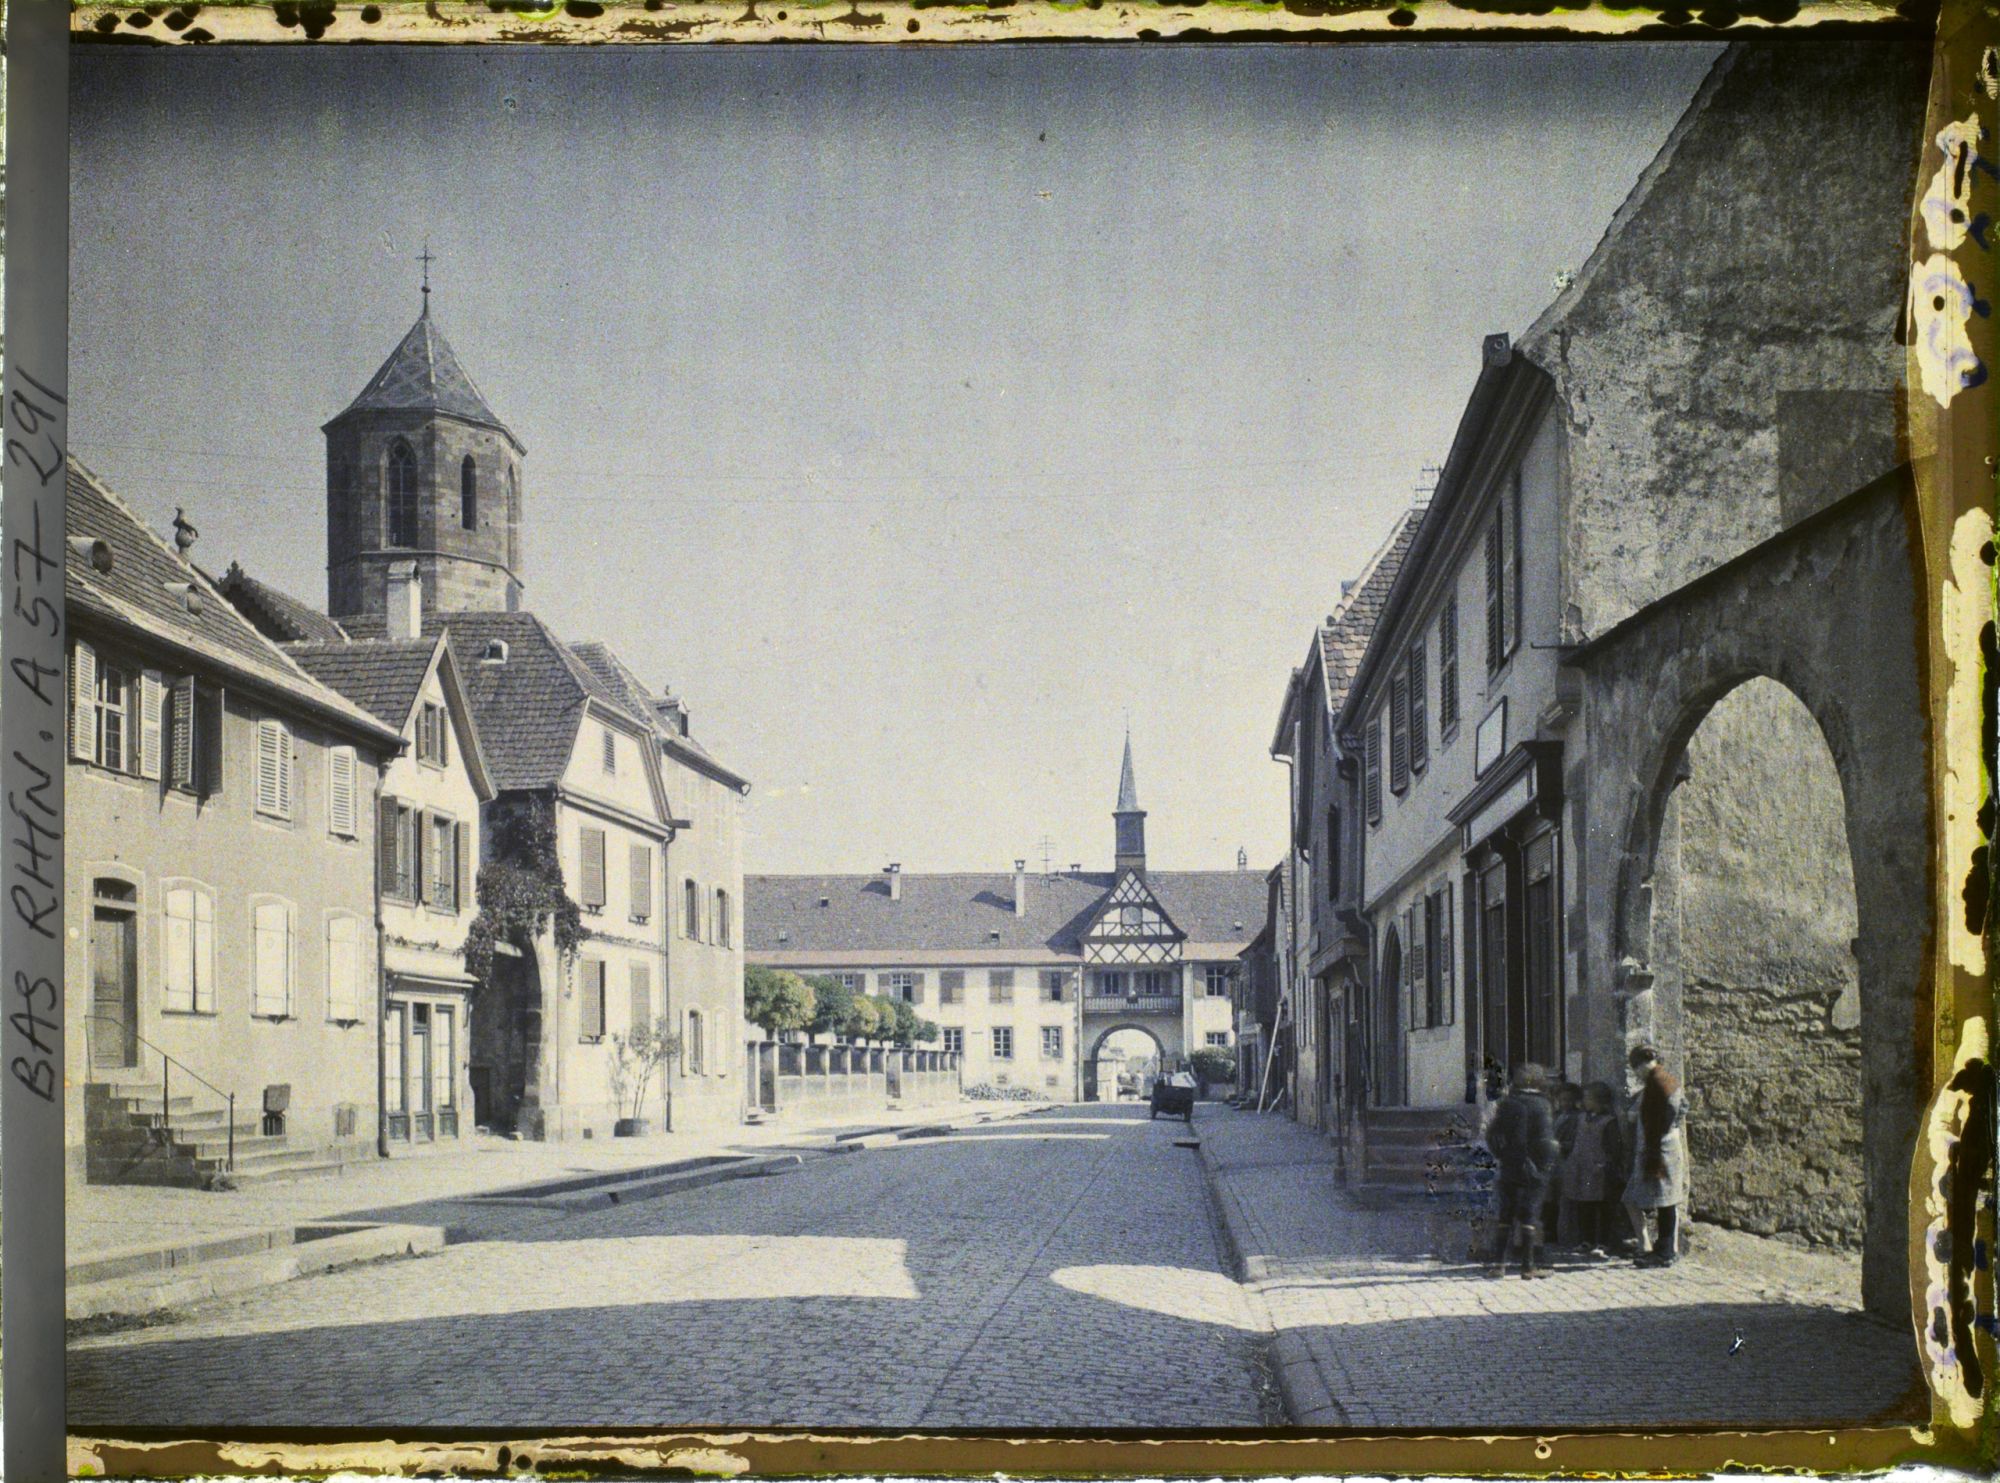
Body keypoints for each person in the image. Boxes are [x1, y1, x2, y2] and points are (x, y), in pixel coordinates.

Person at [1484, 1062, 1560, 1279]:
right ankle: (1528, 1266)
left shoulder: (1508, 1104)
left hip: (1511, 1164)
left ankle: (1499, 1264)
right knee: (1530, 1215)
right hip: (1535, 1167)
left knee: (1505, 1214)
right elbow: (1546, 1140)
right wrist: (1545, 1164)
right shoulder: (1543, 1104)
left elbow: (1492, 1135)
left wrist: (1503, 1155)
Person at [1623, 1044, 1689, 1266]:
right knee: (1663, 1200)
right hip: (1658, 1147)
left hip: (1661, 1149)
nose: (1637, 1074)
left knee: (1666, 1201)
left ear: (1641, 1064)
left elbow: (1670, 1114)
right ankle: (1663, 1250)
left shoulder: (1660, 1082)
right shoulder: (1657, 1081)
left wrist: (1659, 1137)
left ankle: (1666, 1253)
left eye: (1636, 1069)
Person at [1561, 1081, 1626, 1256]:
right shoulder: (1581, 1118)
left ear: (1599, 1101)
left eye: (1588, 1098)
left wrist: (1606, 1164)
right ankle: (1586, 1240)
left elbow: (1615, 1148)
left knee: (1603, 1207)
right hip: (1581, 1168)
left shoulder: (1608, 1122)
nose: (1584, 1101)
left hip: (1599, 1170)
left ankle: (1603, 1242)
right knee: (1584, 1206)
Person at [1548, 1082, 1583, 1244]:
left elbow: (1576, 1141)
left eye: (1569, 1100)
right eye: (1562, 1100)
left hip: (1566, 1160)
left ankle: (1566, 1234)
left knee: (1566, 1197)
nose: (1566, 1103)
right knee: (1550, 1196)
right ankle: (1551, 1231)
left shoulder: (1577, 1118)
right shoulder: (1555, 1115)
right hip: (1552, 1161)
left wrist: (1559, 1145)